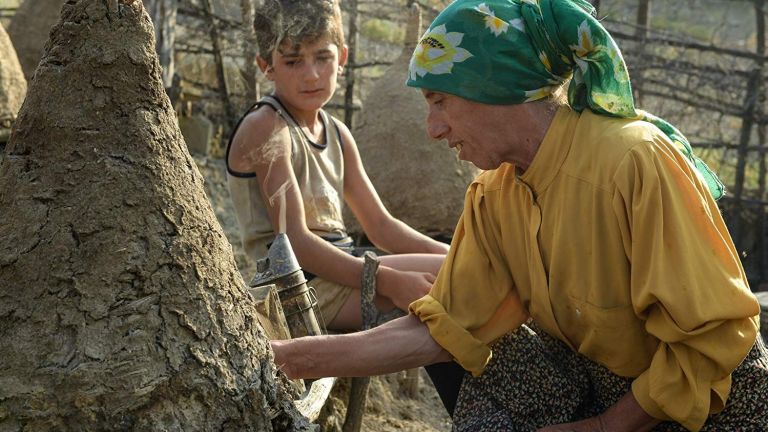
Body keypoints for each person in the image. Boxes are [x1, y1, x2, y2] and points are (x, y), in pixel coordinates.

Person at [271, 0, 768, 431]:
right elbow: (443, 326)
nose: (433, 129)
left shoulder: (632, 162)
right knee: (492, 352)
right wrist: (289, 358)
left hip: (711, 401)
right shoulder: (494, 195)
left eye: (440, 101)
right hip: (617, 386)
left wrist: (602, 427)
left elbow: (716, 338)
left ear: (494, 84)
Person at [226, 0, 448, 332]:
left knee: (456, 268)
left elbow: (381, 226)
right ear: (266, 66)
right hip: (296, 288)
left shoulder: (337, 133)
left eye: (323, 58)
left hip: (344, 269)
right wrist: (387, 281)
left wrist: (458, 250)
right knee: (449, 282)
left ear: (341, 58)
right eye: (293, 61)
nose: (311, 74)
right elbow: (295, 244)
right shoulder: (268, 128)